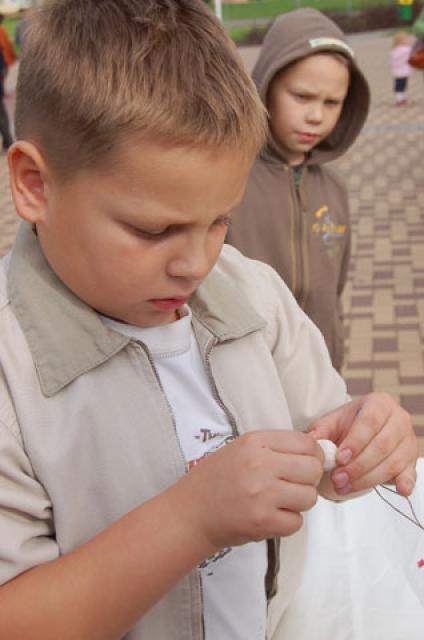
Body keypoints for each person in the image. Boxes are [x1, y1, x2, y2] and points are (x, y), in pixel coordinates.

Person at [0, 2, 417, 639]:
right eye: (154, 229)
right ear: (35, 183)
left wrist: (363, 442)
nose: (197, 263)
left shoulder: (249, 292)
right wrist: (188, 521)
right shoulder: (12, 369)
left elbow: (325, 435)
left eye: (221, 217)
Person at [226, 8, 370, 371]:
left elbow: (333, 286)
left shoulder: (334, 188)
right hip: (247, 367)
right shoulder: (228, 178)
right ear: (266, 87)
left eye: (331, 103)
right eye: (302, 97)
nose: (316, 116)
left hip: (319, 368)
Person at [390, 31, 413, 106]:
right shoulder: (406, 49)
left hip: (396, 72)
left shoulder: (394, 51)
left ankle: (400, 97)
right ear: (402, 41)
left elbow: (391, 62)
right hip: (404, 71)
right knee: (402, 85)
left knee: (399, 85)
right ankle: (400, 99)